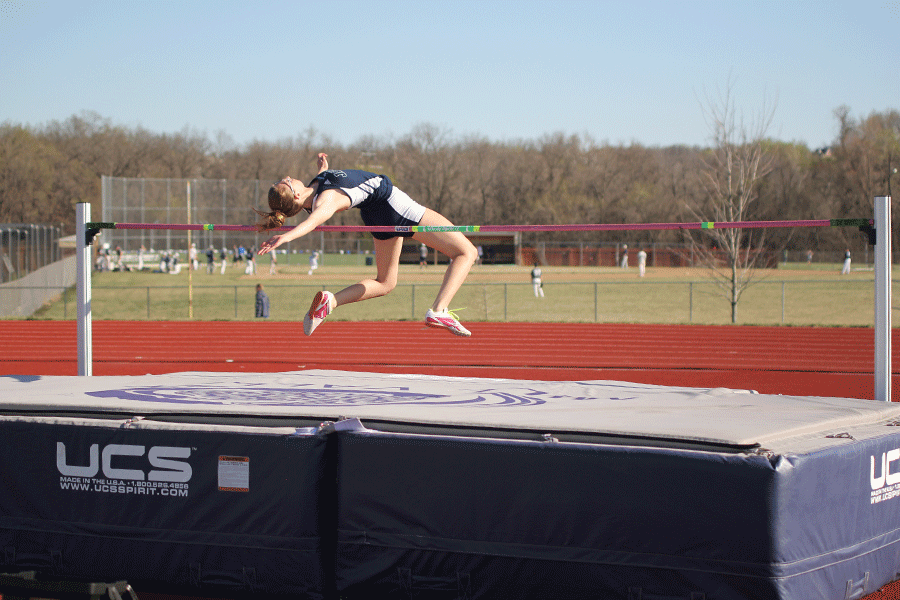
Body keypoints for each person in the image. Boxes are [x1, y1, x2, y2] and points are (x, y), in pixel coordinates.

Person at [255, 152, 477, 337]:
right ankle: (439, 310)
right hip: (393, 205)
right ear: (295, 194)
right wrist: (286, 237)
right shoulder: (326, 200)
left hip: (374, 214)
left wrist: (324, 168)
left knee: (385, 282)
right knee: (466, 252)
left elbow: (324, 183)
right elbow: (313, 221)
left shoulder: (314, 187)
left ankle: (330, 301)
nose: (288, 176)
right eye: (285, 181)